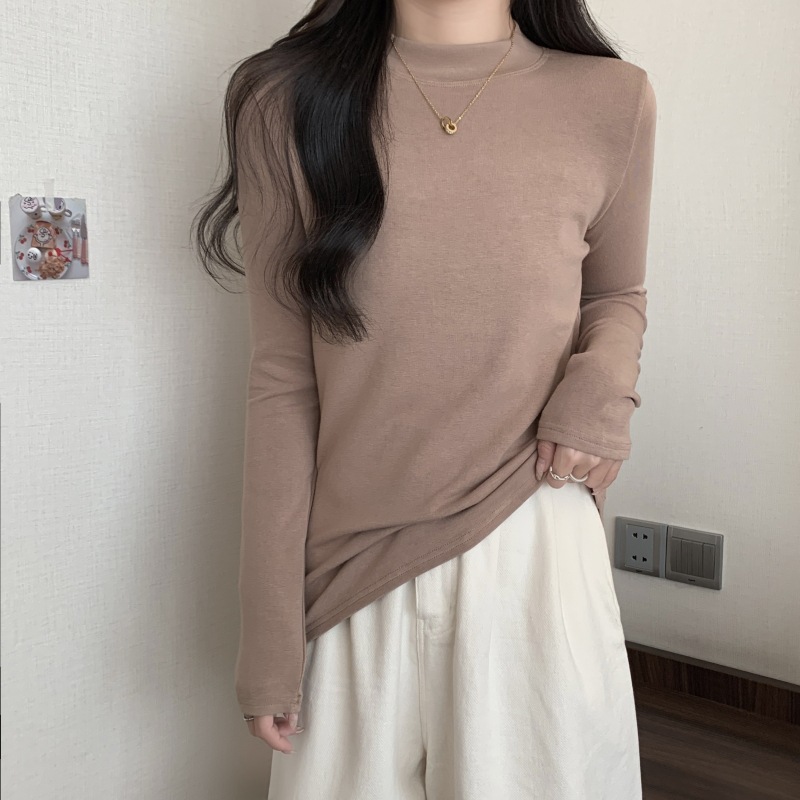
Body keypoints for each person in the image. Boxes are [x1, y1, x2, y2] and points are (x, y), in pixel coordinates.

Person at [192, 0, 657, 796]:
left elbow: (615, 294)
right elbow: (283, 379)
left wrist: (600, 389)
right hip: (354, 570)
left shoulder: (613, 98)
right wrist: (269, 634)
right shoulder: (283, 100)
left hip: (533, 538)